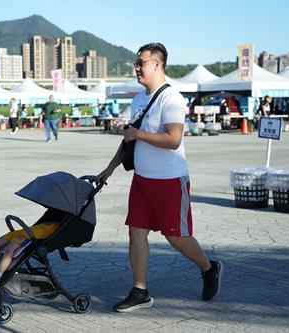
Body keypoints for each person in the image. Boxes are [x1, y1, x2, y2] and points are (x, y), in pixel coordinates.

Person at [96, 43, 223, 313]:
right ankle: (140, 291)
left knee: (176, 236)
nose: (136, 67)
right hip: (142, 180)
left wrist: (137, 134)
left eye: (140, 62)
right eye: (136, 62)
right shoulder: (138, 99)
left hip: (169, 181)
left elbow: (173, 140)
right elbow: (129, 141)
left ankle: (209, 268)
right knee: (136, 233)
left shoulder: (172, 99)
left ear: (157, 64)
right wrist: (109, 169)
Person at [0, 220, 60, 288]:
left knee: (9, 249)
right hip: (25, 232)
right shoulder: (53, 216)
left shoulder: (57, 226)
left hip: (31, 236)